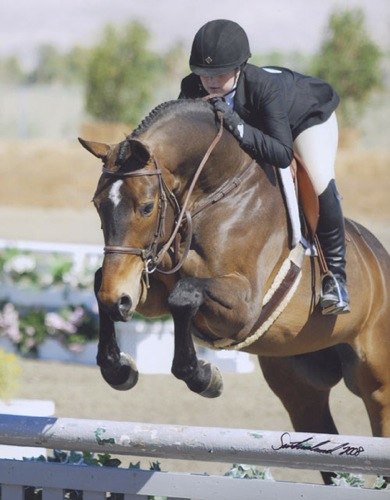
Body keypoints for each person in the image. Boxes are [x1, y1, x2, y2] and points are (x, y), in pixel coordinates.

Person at [179, 19, 350, 315]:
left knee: (319, 177)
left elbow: (281, 153)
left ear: (239, 67)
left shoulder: (263, 87)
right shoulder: (191, 87)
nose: (210, 81)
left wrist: (235, 124)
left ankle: (336, 277)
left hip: (305, 118)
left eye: (219, 73)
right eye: (203, 74)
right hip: (264, 123)